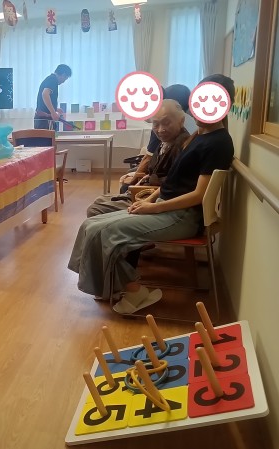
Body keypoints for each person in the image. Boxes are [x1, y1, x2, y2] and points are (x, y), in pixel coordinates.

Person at [68, 74, 235, 313]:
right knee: (91, 224)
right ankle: (114, 285)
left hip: (182, 216)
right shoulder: (199, 137)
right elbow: (173, 183)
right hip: (167, 206)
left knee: (101, 232)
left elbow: (199, 195)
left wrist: (153, 207)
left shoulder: (219, 143)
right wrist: (150, 198)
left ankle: (134, 291)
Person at [87, 99, 190, 217]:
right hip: (145, 192)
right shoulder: (166, 141)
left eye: (166, 123)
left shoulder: (183, 145)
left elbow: (171, 183)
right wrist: (144, 177)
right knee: (100, 200)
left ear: (181, 121)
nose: (160, 129)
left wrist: (146, 190)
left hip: (154, 200)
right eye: (156, 124)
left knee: (94, 209)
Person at [34, 64, 72, 129]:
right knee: (48, 135)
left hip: (41, 119)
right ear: (63, 75)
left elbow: (43, 101)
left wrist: (55, 108)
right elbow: (45, 94)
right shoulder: (53, 80)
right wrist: (53, 112)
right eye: (65, 79)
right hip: (45, 120)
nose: (63, 82)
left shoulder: (50, 79)